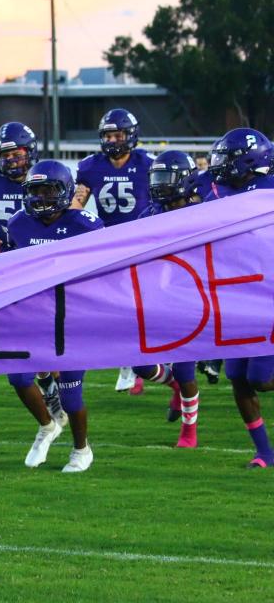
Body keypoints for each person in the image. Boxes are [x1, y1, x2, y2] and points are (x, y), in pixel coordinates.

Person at [0, 122, 68, 458]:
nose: (10, 160)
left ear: (29, 151)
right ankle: (49, 411)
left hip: (45, 274)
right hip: (7, 274)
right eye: (4, 154)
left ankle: (54, 392)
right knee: (17, 359)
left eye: (16, 152)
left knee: (51, 345)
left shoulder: (47, 177)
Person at [6, 159, 105, 472]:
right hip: (33, 314)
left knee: (72, 397)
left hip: (73, 317)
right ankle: (47, 425)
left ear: (65, 191)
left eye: (49, 190)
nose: (42, 197)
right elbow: (6, 268)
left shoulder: (86, 224)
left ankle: (81, 450)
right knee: (18, 377)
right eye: (36, 190)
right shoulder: (19, 222)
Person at [201, 128, 274, 468]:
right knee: (237, 376)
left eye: (226, 160)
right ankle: (265, 452)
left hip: (267, 292)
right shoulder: (215, 190)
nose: (219, 166)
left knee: (262, 378)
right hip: (232, 292)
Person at [72, 108, 154, 394]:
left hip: (144, 243)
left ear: (131, 135)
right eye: (108, 135)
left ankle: (137, 361)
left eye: (118, 134)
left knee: (142, 305)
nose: (113, 140)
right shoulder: (91, 166)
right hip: (109, 243)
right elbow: (75, 206)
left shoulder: (148, 163)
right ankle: (130, 359)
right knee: (114, 306)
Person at [131, 150, 202, 447]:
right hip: (156, 298)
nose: (160, 185)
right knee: (140, 365)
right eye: (157, 177)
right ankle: (173, 385)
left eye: (166, 178)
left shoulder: (206, 212)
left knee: (186, 370)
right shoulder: (149, 213)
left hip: (193, 299)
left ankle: (189, 431)